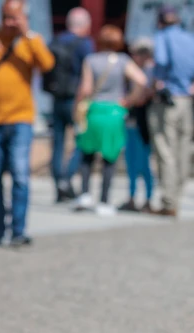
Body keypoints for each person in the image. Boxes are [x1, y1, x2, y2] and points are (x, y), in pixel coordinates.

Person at [0, 0, 55, 246]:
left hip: (20, 119)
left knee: (20, 175)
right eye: (6, 17)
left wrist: (26, 33)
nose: (10, 22)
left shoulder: (30, 40)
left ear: (23, 17)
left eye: (14, 17)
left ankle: (18, 230)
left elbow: (47, 63)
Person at [72, 25, 147, 216]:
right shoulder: (122, 60)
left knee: (87, 155)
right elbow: (141, 80)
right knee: (109, 157)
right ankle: (104, 201)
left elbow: (86, 89)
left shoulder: (91, 60)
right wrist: (129, 100)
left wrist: (77, 109)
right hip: (114, 112)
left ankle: (85, 195)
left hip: (94, 111)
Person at [148, 4, 194, 217]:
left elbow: (162, 60)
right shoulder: (188, 38)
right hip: (186, 100)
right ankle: (177, 193)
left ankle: (169, 200)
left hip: (167, 100)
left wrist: (157, 78)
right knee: (183, 149)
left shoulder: (162, 36)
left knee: (165, 149)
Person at [45, 7, 94, 202]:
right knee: (82, 140)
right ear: (84, 25)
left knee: (57, 143)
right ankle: (66, 178)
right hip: (77, 99)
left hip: (56, 98)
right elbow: (88, 75)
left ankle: (60, 186)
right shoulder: (85, 44)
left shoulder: (55, 41)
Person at [119, 38, 156, 213]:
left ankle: (148, 199)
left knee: (144, 163)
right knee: (131, 162)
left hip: (145, 123)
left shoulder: (152, 72)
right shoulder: (131, 71)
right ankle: (132, 197)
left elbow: (144, 97)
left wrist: (131, 99)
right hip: (131, 121)